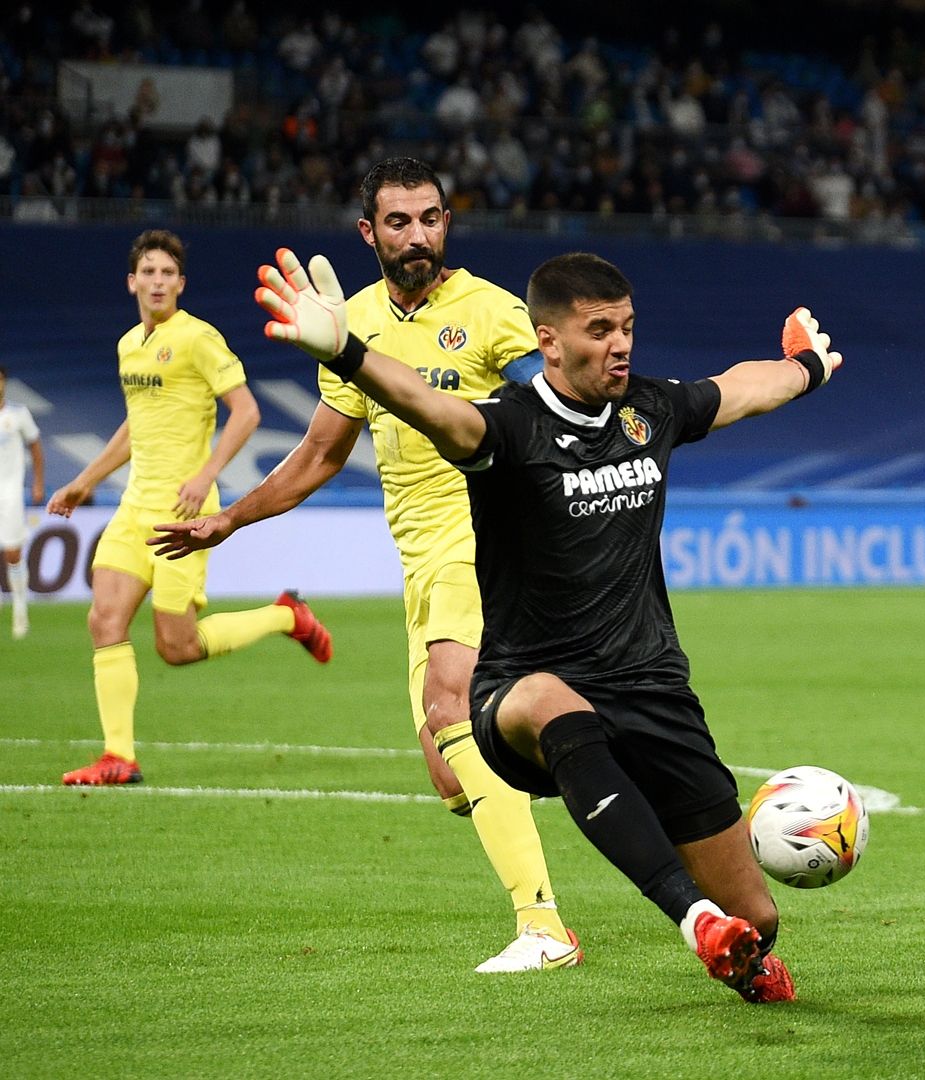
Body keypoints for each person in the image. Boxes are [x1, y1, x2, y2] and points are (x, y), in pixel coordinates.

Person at [253, 246, 841, 1002]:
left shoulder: (648, 412)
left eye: (626, 326)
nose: (620, 343)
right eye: (599, 329)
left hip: (654, 690)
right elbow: (429, 406)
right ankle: (692, 921)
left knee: (758, 917)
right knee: (548, 702)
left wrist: (806, 369)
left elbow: (736, 390)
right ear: (550, 341)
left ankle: (737, 946)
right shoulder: (508, 430)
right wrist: (345, 350)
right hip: (523, 695)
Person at [151, 159, 575, 974]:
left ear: (447, 222)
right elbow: (316, 454)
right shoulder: (348, 323)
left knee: (452, 706)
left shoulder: (491, 311)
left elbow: (550, 403)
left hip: (485, 541)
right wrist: (229, 520)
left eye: (430, 219)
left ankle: (544, 927)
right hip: (421, 561)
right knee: (452, 772)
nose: (417, 235)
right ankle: (597, 746)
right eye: (399, 222)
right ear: (368, 233)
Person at [47, 230, 332, 786]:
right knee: (104, 619)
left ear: (181, 283)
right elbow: (137, 424)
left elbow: (246, 412)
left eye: (167, 273)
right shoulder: (129, 345)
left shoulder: (200, 338)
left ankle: (285, 616)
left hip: (183, 511)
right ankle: (118, 757)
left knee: (176, 648)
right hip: (135, 508)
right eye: (147, 272)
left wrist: (206, 476)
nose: (157, 282)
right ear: (132, 282)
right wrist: (84, 481)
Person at [0, 365, 45, 638]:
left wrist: (38, 482)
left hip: (10, 492)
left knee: (12, 554)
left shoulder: (18, 414)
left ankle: (20, 611)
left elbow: (36, 448)